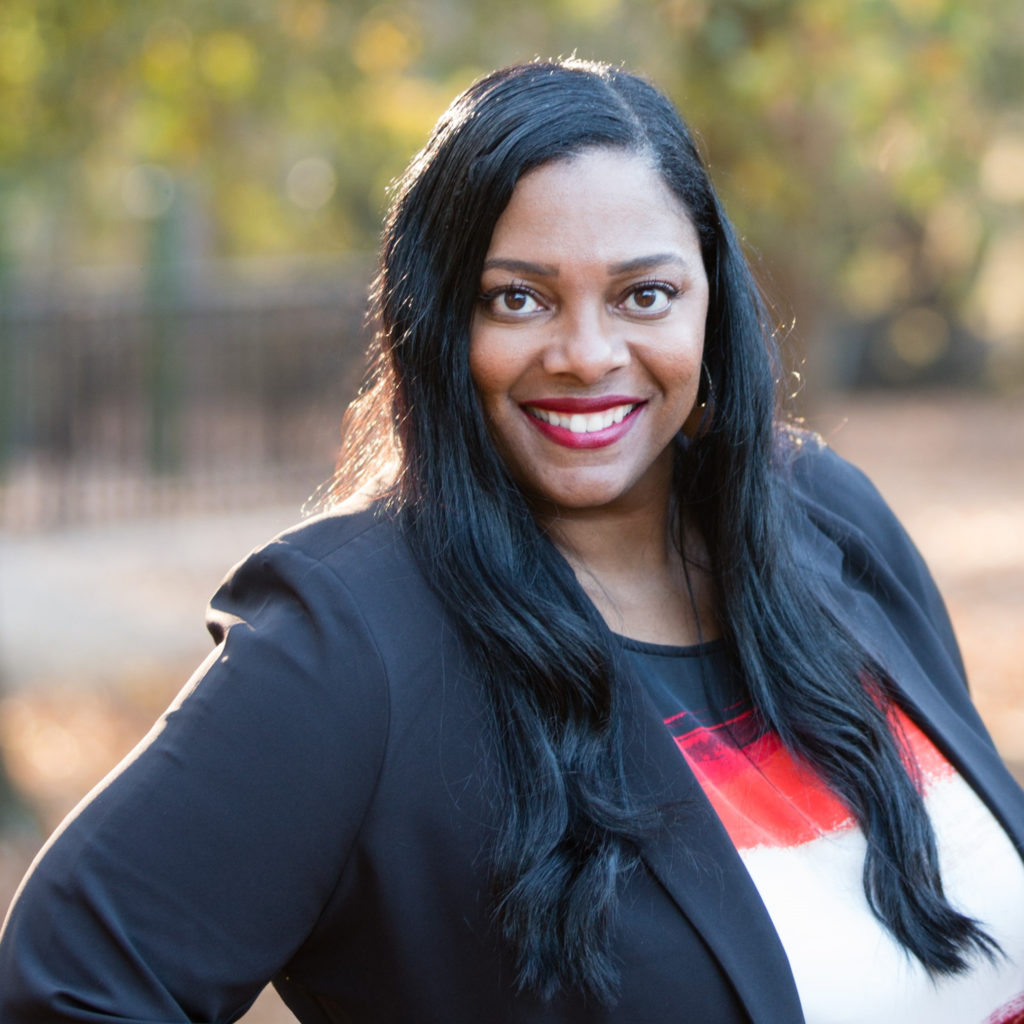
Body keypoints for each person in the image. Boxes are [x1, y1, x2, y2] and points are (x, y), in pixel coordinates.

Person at [1, 57, 1022, 1024]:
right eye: (518, 298)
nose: (585, 353)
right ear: (440, 320)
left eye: (644, 293)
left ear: (712, 303)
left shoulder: (827, 519)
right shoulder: (349, 644)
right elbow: (70, 988)